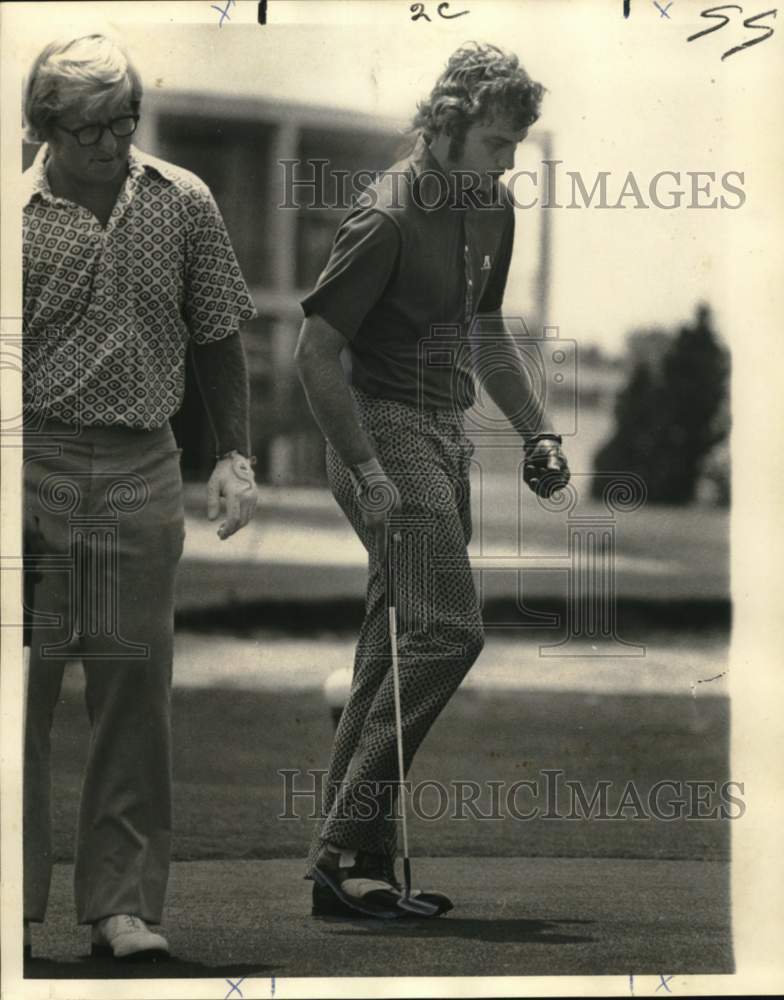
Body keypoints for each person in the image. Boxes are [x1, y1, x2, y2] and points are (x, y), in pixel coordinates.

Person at [295, 42, 571, 919]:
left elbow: (483, 332)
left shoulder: (493, 207)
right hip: (378, 429)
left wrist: (536, 431)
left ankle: (353, 869)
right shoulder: (383, 217)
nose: (507, 162)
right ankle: (341, 842)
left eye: (517, 145)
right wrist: (368, 470)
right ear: (446, 128)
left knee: (394, 642)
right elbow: (316, 353)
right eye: (495, 142)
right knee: (450, 629)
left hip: (444, 434)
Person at [21, 34, 258, 960]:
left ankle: (121, 910)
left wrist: (233, 454)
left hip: (140, 465)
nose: (116, 141)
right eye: (92, 129)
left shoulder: (183, 200)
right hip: (27, 458)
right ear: (44, 128)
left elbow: (219, 334)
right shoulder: (13, 211)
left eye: (128, 119)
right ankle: (12, 907)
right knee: (17, 700)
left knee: (133, 697)